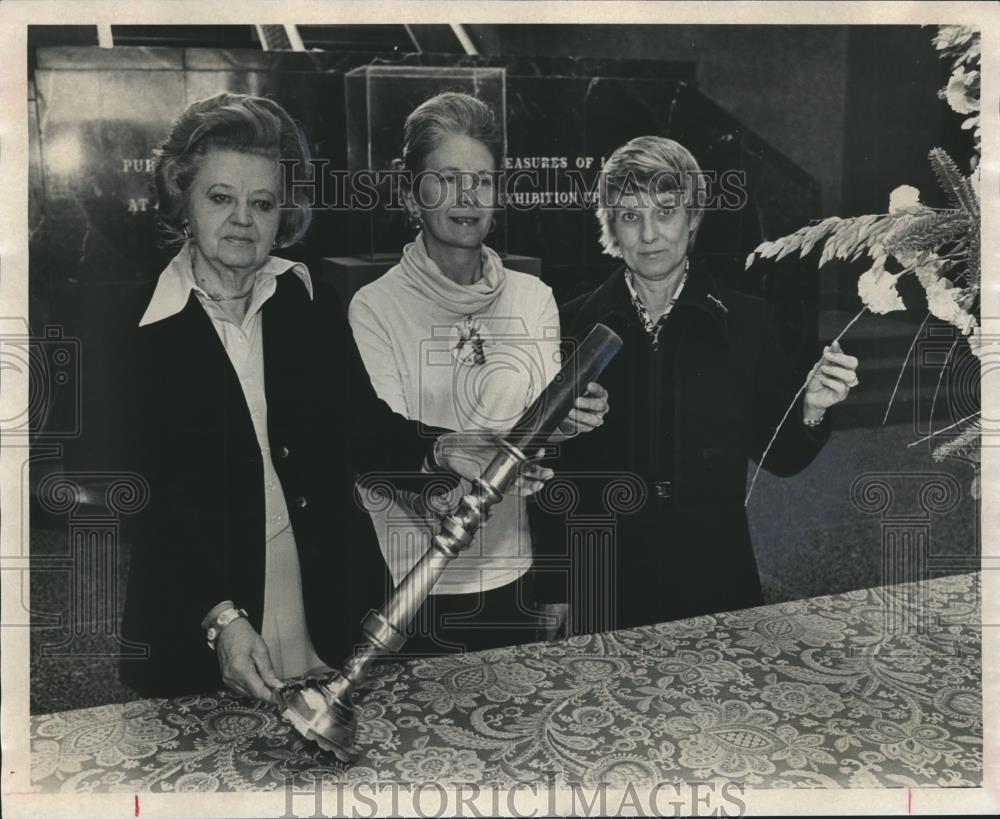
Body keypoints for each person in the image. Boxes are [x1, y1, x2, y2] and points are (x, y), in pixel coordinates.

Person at [77, 92, 557, 702]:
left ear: (284, 213)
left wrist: (441, 450)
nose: (243, 221)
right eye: (220, 198)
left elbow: (358, 425)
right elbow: (139, 498)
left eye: (263, 203)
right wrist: (220, 616)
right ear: (183, 199)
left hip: (327, 607)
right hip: (203, 617)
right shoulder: (133, 329)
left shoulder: (306, 302)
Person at [533, 135, 860, 635]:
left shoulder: (747, 322)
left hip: (714, 566)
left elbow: (781, 457)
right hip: (603, 571)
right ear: (611, 230)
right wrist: (555, 588)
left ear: (693, 218)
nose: (649, 235)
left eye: (665, 211)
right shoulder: (571, 326)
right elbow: (550, 478)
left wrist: (811, 408)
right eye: (628, 216)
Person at [348, 92, 609, 655]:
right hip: (412, 582)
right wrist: (449, 471)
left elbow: (540, 438)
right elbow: (381, 452)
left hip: (513, 570)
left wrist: (571, 421)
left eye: (483, 181)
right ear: (411, 191)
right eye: (447, 178)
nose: (468, 198)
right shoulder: (373, 307)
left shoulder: (533, 296)